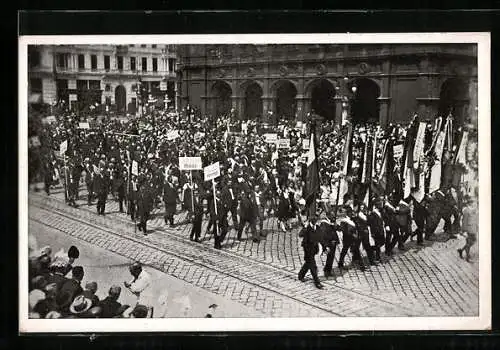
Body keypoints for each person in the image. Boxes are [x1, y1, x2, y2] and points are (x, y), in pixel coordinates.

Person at [297, 216, 323, 289]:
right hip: (307, 249)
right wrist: (305, 227)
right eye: (314, 220)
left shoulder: (317, 227)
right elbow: (300, 235)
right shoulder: (307, 228)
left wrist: (324, 247)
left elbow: (320, 237)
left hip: (314, 249)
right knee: (313, 266)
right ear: (311, 221)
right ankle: (317, 282)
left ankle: (301, 275)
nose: (315, 222)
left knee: (308, 263)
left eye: (316, 220)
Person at [338, 205, 365, 271]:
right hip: (347, 238)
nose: (351, 213)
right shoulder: (344, 221)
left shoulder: (353, 219)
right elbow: (344, 230)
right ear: (347, 213)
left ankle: (361, 265)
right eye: (350, 212)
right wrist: (352, 234)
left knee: (356, 251)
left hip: (354, 239)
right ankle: (340, 263)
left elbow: (357, 225)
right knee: (344, 251)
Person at [316, 212, 339, 278]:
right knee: (330, 257)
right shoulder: (324, 224)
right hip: (329, 243)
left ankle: (327, 269)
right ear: (328, 216)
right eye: (332, 216)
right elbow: (323, 236)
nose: (333, 217)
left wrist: (334, 224)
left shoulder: (331, 222)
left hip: (333, 242)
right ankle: (327, 271)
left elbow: (337, 228)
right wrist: (326, 246)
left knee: (331, 257)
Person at [457, 195, 478, 262]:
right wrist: (464, 230)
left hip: (473, 228)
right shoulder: (466, 210)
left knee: (473, 241)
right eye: (473, 202)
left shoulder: (473, 209)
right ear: (470, 203)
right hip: (469, 228)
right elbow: (464, 221)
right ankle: (467, 258)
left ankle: (461, 250)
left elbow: (475, 219)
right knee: (469, 242)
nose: (475, 204)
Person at [367, 197, 386, 262]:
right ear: (377, 205)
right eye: (380, 204)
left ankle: (371, 249)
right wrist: (373, 233)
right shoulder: (373, 214)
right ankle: (378, 257)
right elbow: (372, 224)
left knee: (382, 242)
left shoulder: (380, 212)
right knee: (378, 245)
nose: (381, 205)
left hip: (381, 230)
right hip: (376, 231)